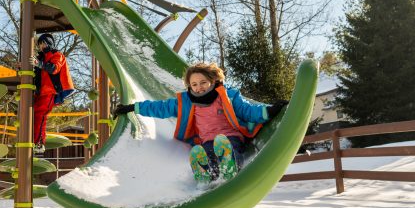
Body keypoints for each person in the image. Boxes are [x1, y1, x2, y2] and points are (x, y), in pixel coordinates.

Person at [113, 62, 287, 183]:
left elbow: (247, 111)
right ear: (189, 85)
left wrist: (270, 110)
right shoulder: (187, 101)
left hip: (230, 137)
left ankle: (231, 165)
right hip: (206, 141)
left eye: (203, 82)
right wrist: (132, 108)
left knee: (227, 147)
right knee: (206, 153)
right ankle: (207, 174)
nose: (199, 87)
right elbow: (160, 108)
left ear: (213, 80)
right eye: (194, 84)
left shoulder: (226, 95)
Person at [32, 33, 74, 154]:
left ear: (49, 43)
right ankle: (34, 139)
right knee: (34, 114)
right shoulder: (41, 58)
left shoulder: (57, 55)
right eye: (40, 44)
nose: (41, 47)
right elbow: (35, 71)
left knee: (40, 114)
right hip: (40, 91)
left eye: (43, 43)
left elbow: (54, 68)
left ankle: (39, 142)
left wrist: (39, 64)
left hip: (50, 91)